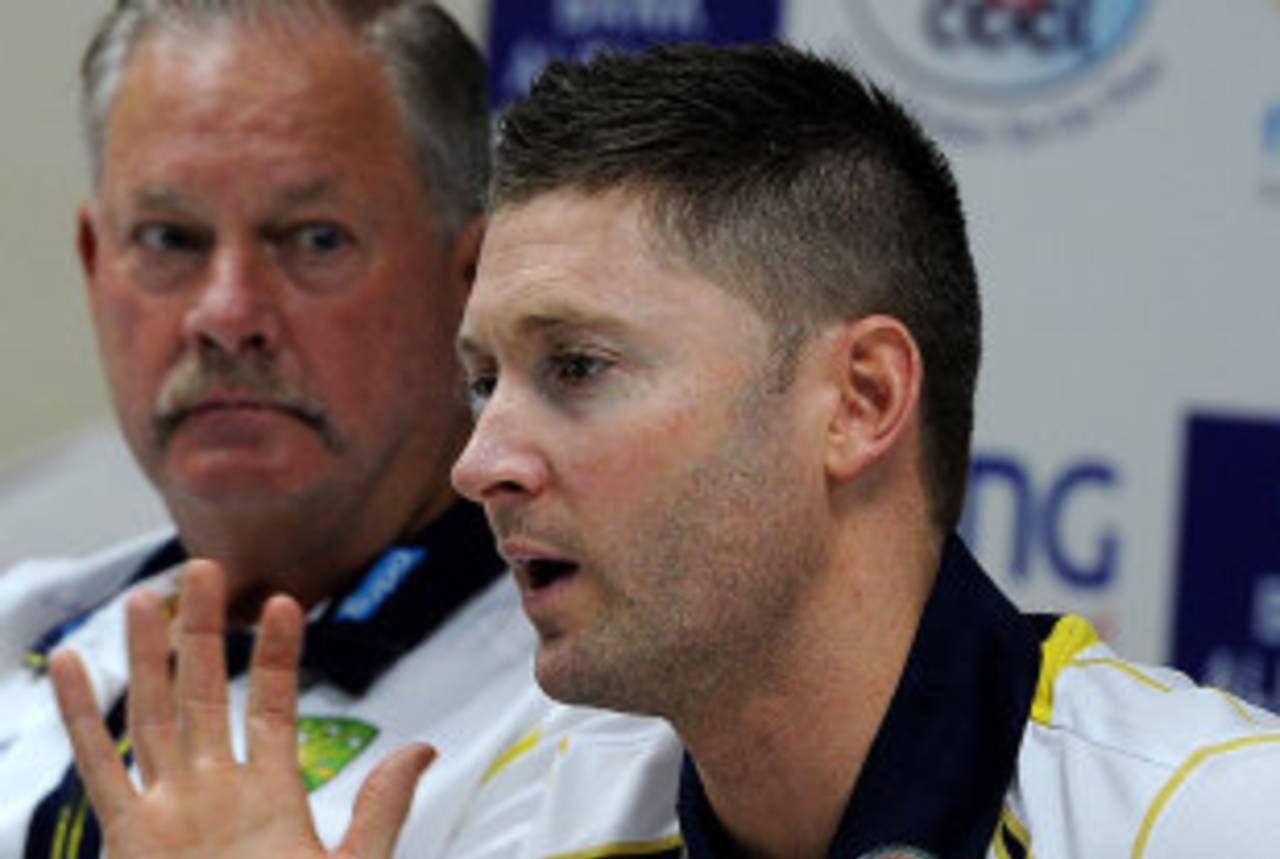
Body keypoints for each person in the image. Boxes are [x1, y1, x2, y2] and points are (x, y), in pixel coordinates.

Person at [54, 39, 1280, 859]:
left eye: (576, 369)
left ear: (858, 401)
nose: (479, 461)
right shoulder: (512, 818)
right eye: (483, 380)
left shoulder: (1208, 821)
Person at [4, 2, 680, 858]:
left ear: (474, 278)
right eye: (170, 238)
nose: (225, 314)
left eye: (314, 239)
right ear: (97, 265)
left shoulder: (608, 718)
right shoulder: (21, 623)